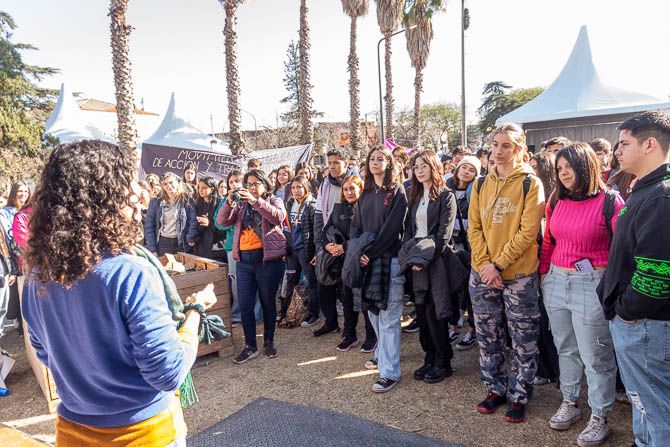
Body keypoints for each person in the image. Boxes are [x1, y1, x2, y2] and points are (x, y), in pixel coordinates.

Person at [21, 140, 216, 445]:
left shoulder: (36, 275)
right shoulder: (130, 273)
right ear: (103, 197)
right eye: (128, 183)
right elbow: (168, 372)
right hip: (143, 435)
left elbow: (46, 352)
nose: (139, 193)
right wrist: (196, 312)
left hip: (73, 432)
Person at [539, 143, 623, 446]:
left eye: (568, 167)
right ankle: (570, 401)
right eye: (559, 168)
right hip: (557, 281)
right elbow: (549, 240)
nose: (562, 173)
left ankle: (600, 415)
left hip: (593, 282)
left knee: (596, 355)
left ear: (586, 166)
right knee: (566, 348)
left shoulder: (610, 201)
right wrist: (545, 276)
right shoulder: (555, 199)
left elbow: (622, 249)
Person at [598, 111, 670, 447]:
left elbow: (657, 273)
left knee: (655, 409)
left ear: (650, 144)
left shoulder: (661, 197)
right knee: (646, 406)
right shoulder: (646, 189)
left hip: (645, 325)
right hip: (639, 323)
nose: (617, 151)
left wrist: (627, 311)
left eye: (625, 143)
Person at [468, 123, 545, 423]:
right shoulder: (479, 184)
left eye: (506, 146)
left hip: (518, 275)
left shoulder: (530, 184)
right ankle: (495, 388)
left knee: (523, 338)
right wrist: (485, 265)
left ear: (519, 150)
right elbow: (474, 228)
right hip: (482, 273)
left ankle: (520, 394)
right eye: (495, 145)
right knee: (488, 336)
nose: (498, 152)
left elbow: (528, 232)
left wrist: (497, 265)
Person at [349, 145, 408, 393]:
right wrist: (359, 253)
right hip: (366, 261)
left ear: (389, 163)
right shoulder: (366, 192)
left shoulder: (397, 192)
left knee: (390, 318)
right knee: (373, 313)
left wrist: (370, 254)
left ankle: (390, 372)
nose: (376, 162)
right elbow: (356, 227)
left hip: (390, 260)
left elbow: (393, 230)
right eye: (372, 159)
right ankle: (384, 358)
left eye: (380, 158)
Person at [402, 150, 460, 384]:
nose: (419, 170)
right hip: (416, 261)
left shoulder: (446, 196)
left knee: (436, 313)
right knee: (421, 312)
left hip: (436, 261)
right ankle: (430, 356)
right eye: (416, 167)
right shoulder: (413, 196)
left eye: (424, 165)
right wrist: (411, 257)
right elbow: (408, 230)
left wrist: (422, 258)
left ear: (434, 167)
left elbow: (443, 235)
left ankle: (443, 361)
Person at [217, 169, 287, 363]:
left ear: (265, 184)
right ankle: (250, 346)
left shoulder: (273, 200)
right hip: (244, 261)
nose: (252, 187)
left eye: (256, 183)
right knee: (245, 304)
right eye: (249, 184)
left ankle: (269, 341)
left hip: (267, 261)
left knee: (267, 303)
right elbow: (222, 222)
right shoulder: (240, 204)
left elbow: (279, 217)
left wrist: (256, 202)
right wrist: (229, 202)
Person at [321, 175, 376, 352]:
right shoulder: (338, 208)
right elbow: (325, 231)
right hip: (341, 261)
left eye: (353, 188)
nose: (349, 192)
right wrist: (327, 246)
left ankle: (371, 335)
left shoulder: (366, 208)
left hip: (360, 258)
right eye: (346, 189)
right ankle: (349, 334)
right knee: (347, 299)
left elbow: (368, 234)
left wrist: (344, 247)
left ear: (360, 188)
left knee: (364, 300)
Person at [313, 148, 356, 335]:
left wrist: (345, 247)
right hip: (328, 242)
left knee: (346, 292)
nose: (332, 166)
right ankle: (330, 322)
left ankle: (349, 330)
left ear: (345, 163)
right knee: (325, 285)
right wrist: (320, 246)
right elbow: (318, 216)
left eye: (336, 162)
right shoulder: (325, 184)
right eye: (329, 163)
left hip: (348, 243)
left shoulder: (353, 183)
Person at [528, 151, 560, 387]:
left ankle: (557, 370)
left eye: (534, 167)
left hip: (553, 263)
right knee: (538, 319)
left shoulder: (555, 197)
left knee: (551, 322)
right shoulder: (527, 191)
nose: (530, 171)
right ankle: (544, 368)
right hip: (533, 260)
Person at [214, 171, 263, 327]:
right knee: (236, 284)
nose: (235, 184)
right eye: (232, 182)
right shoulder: (226, 200)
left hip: (255, 246)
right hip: (233, 247)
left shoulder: (252, 199)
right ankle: (237, 315)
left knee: (257, 283)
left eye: (238, 181)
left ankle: (257, 315)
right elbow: (219, 224)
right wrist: (230, 204)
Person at [446, 155, 482, 350]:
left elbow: (477, 221)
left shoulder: (476, 190)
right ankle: (453, 326)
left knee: (469, 291)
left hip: (469, 247)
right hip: (450, 246)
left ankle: (472, 330)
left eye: (472, 169)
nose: (466, 172)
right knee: (451, 288)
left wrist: (459, 225)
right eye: (464, 167)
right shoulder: (446, 189)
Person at [279, 176, 318, 326]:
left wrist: (315, 252)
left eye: (299, 187)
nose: (296, 190)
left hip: (305, 249)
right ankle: (287, 313)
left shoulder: (312, 205)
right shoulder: (289, 204)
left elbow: (315, 231)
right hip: (292, 250)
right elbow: (286, 229)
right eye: (293, 188)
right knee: (291, 282)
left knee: (311, 282)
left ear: (306, 187)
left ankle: (314, 314)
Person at [0, 182, 30, 337]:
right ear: (13, 193)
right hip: (14, 261)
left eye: (26, 191)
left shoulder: (28, 211)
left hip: (27, 260)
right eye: (19, 191)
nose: (23, 194)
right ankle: (20, 329)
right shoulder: (4, 213)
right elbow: (5, 239)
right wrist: (11, 267)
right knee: (15, 299)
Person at [145, 172, 198, 256]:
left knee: (181, 268)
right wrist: (152, 249)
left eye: (171, 182)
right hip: (163, 242)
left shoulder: (187, 199)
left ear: (177, 182)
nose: (169, 186)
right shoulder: (156, 201)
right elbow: (149, 226)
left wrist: (190, 238)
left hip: (181, 242)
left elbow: (193, 220)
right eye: (165, 184)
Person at [194, 177, 226, 260]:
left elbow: (223, 229)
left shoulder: (220, 203)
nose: (200, 190)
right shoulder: (199, 203)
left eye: (204, 188)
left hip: (217, 248)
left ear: (212, 189)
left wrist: (209, 223)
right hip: (202, 247)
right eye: (199, 187)